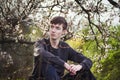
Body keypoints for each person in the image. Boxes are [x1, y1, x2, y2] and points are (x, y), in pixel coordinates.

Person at [29, 16, 96, 80]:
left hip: (57, 78)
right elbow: (41, 54)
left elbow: (88, 60)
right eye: (52, 27)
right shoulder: (40, 43)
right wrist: (64, 64)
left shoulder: (65, 47)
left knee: (85, 71)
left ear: (64, 32)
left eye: (57, 28)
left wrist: (79, 67)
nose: (53, 30)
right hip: (40, 78)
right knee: (45, 63)